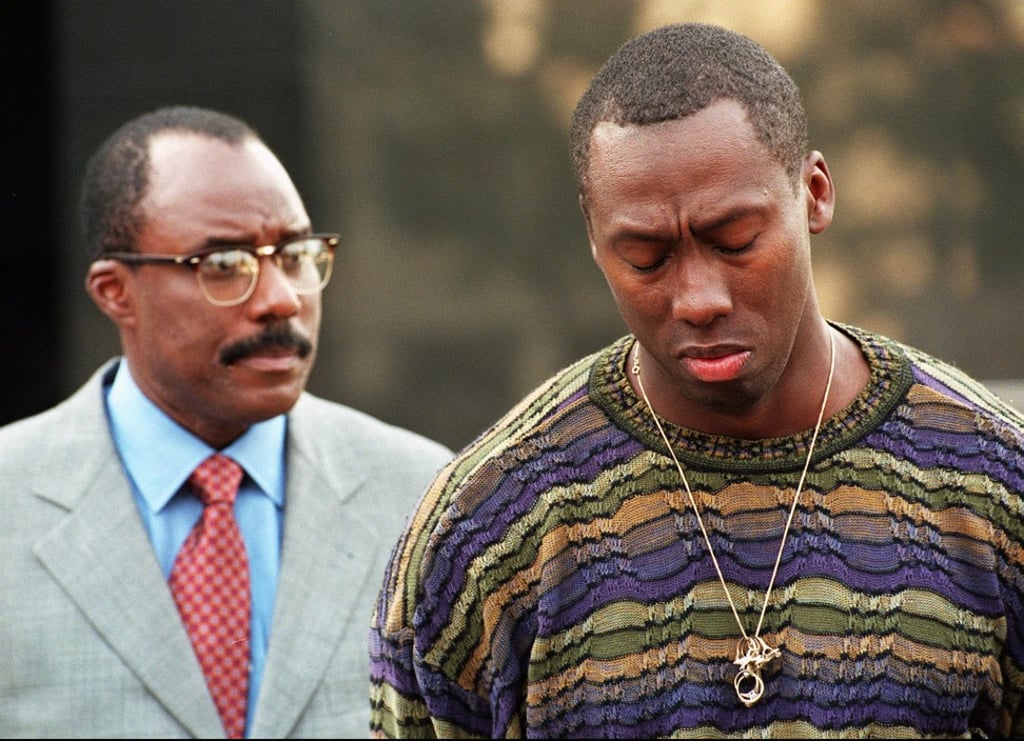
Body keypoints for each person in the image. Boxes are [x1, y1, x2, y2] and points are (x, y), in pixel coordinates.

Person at [368, 22, 1024, 739]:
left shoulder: (992, 481)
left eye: (736, 239)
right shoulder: (490, 528)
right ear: (594, 242)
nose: (698, 297)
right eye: (646, 256)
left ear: (814, 194)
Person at [0, 105, 452, 739]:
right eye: (223, 266)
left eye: (294, 254)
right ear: (114, 293)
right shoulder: (11, 498)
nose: (280, 298)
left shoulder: (426, 497)